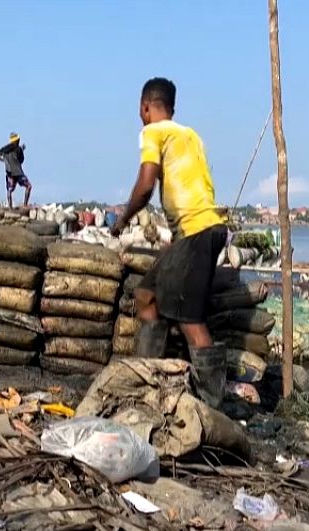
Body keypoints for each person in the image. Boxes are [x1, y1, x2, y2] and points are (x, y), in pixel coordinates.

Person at [110, 77, 228, 407]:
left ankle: (210, 404)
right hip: (199, 230)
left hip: (197, 230)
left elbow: (147, 184)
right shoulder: (191, 135)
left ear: (144, 107)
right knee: (147, 294)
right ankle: (148, 377)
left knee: (190, 319)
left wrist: (122, 219)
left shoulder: (152, 132)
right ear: (172, 108)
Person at [0, 132, 31, 208]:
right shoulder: (18, 149)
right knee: (28, 186)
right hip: (18, 172)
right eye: (18, 140)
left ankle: (10, 208)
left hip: (9, 172)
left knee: (9, 190)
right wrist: (21, 151)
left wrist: (4, 161)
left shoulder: (4, 150)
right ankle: (25, 205)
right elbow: (21, 160)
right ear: (16, 141)